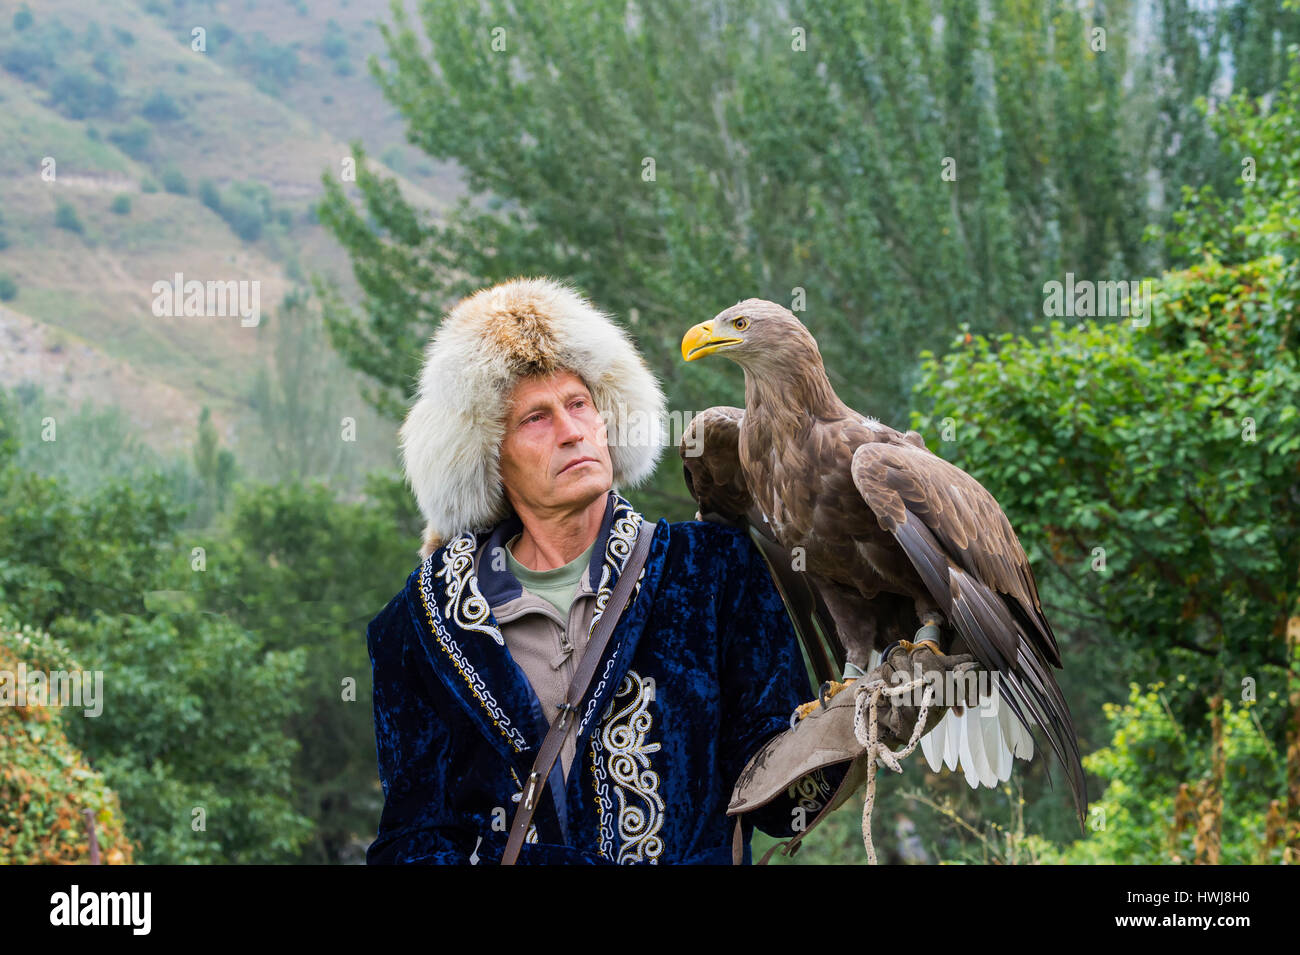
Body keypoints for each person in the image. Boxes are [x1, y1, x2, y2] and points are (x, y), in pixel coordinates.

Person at [364, 276, 848, 865]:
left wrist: (855, 723)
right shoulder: (422, 623)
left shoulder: (713, 570)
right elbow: (409, 842)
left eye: (578, 404)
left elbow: (780, 805)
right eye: (535, 419)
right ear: (489, 454)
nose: (571, 432)